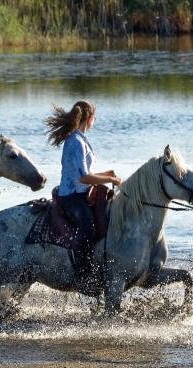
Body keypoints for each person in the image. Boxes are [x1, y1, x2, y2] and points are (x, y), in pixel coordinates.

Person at [46, 100, 121, 279]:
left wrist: (106, 173)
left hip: (79, 192)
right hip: (71, 197)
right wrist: (110, 179)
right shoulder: (76, 142)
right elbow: (84, 177)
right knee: (89, 228)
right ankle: (82, 272)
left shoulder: (80, 139)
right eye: (95, 118)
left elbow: (87, 174)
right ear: (90, 118)